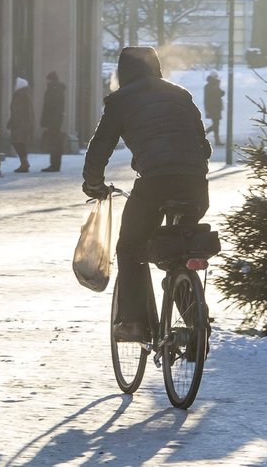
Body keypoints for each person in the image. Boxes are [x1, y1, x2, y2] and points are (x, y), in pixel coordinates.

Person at [81, 46, 211, 343]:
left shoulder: (120, 101)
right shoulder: (181, 95)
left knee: (130, 248)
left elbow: (101, 145)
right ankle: (195, 326)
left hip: (155, 183)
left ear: (122, 72)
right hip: (194, 185)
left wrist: (93, 184)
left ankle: (135, 322)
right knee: (181, 248)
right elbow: (203, 147)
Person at [7, 77, 35, 172]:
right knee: (19, 142)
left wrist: (17, 122)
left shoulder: (22, 95)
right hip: (19, 123)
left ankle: (24, 163)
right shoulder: (22, 94)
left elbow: (22, 111)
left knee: (18, 142)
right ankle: (24, 163)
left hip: (21, 124)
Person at [40, 71, 66, 172]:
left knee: (54, 143)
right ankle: (55, 164)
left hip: (54, 121)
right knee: (56, 143)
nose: (46, 82)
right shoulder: (57, 89)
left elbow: (49, 107)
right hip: (56, 120)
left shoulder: (53, 90)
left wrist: (47, 121)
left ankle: (54, 165)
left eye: (48, 79)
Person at [203, 71, 224, 146]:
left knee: (216, 125)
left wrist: (218, 85)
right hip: (213, 108)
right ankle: (202, 135)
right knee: (215, 125)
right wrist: (207, 109)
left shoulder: (214, 85)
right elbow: (207, 98)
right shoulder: (209, 86)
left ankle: (216, 140)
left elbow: (221, 93)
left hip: (216, 108)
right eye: (216, 77)